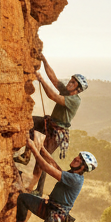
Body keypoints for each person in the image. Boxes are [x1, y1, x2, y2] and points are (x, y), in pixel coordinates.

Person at [24, 55, 87, 193]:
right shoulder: (67, 91)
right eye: (71, 81)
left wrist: (41, 79)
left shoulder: (75, 100)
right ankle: (26, 155)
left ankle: (36, 190)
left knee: (43, 158)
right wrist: (44, 61)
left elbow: (53, 96)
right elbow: (53, 78)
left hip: (57, 132)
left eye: (73, 83)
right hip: (50, 122)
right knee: (26, 122)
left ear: (78, 89)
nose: (70, 83)